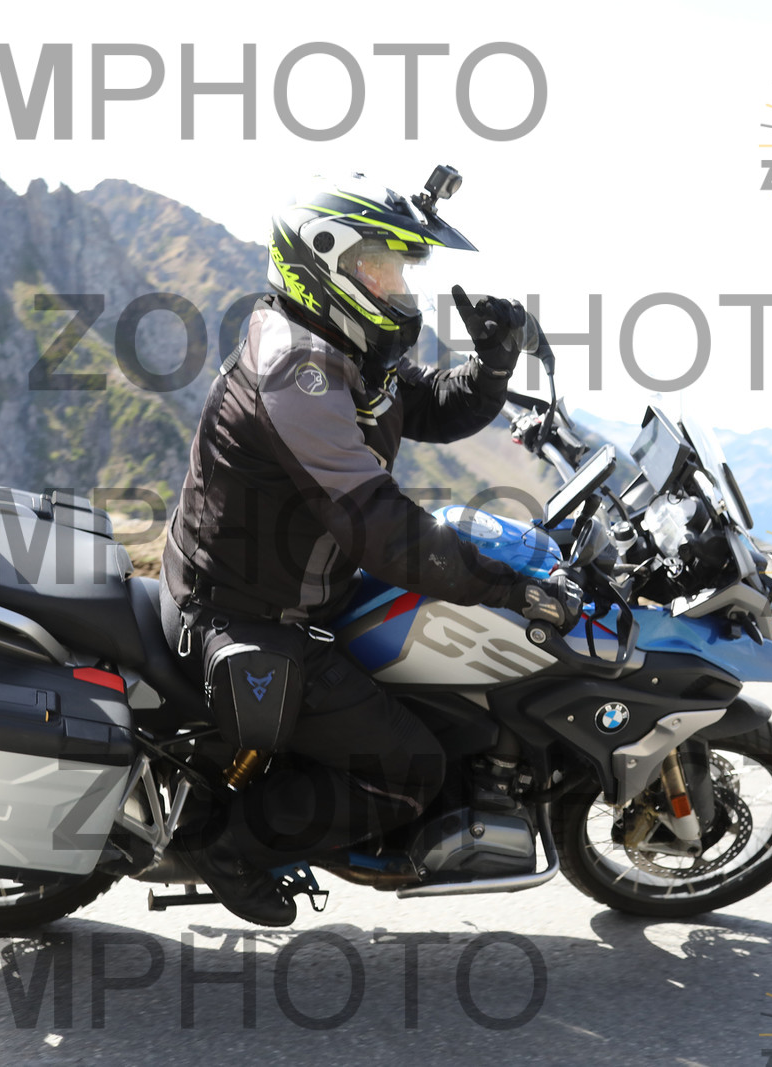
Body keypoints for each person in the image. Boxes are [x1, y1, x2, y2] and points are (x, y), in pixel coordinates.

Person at [160, 173, 581, 926]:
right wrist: (508, 587)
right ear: (326, 266)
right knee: (408, 766)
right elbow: (381, 527)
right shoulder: (298, 371)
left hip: (302, 588)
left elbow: (424, 405)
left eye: (400, 271)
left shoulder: (339, 348)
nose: (398, 288)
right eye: (381, 269)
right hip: (246, 611)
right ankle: (229, 850)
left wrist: (490, 367)